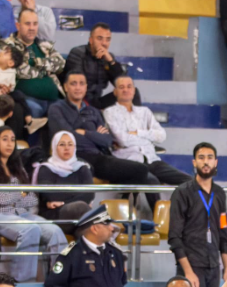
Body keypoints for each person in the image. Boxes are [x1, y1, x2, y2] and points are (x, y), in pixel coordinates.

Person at [48, 72, 161, 211]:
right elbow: (66, 138)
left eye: (81, 83)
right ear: (65, 87)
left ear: (86, 87)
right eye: (73, 83)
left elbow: (107, 140)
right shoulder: (57, 108)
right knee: (85, 170)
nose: (78, 87)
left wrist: (84, 132)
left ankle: (125, 211)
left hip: (99, 157)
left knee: (141, 170)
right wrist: (95, 136)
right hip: (74, 157)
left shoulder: (93, 111)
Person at [168, 142, 227, 287]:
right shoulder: (182, 193)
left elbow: (223, 232)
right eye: (201, 158)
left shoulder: (219, 193)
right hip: (192, 265)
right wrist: (188, 272)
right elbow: (174, 237)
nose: (206, 162)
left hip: (213, 266)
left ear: (216, 162)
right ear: (194, 162)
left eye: (210, 158)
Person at [0, 126, 66, 282]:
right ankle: (22, 283)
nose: (10, 144)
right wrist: (19, 194)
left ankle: (58, 280)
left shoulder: (18, 167)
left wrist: (15, 196)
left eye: (12, 140)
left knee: (56, 231)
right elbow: (2, 200)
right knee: (31, 230)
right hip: (3, 216)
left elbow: (32, 199)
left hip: (23, 214)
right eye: (4, 139)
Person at [103, 75, 191, 186]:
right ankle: (157, 204)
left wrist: (139, 133)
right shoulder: (110, 112)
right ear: (115, 92)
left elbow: (162, 136)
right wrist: (148, 139)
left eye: (129, 86)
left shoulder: (144, 112)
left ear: (134, 91)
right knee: (152, 181)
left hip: (152, 160)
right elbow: (123, 140)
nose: (125, 90)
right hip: (129, 162)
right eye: (121, 87)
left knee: (191, 182)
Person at [63, 23, 142, 110]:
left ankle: (136, 122)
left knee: (131, 92)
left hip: (97, 101)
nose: (104, 43)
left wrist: (111, 62)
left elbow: (123, 83)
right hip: (80, 99)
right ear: (91, 40)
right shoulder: (78, 53)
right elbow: (76, 83)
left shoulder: (108, 57)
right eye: (99, 38)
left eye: (108, 39)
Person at [7, 9, 65, 118]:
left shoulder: (44, 45)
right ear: (18, 26)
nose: (32, 28)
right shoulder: (8, 46)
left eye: (35, 24)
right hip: (27, 100)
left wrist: (38, 62)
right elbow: (20, 71)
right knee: (34, 111)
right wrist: (46, 69)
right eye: (27, 24)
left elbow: (61, 64)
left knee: (69, 112)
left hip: (54, 99)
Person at [37, 131, 94, 235]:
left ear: (75, 147)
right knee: (82, 208)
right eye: (62, 144)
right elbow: (49, 193)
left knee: (84, 227)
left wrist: (63, 202)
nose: (67, 148)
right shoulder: (46, 168)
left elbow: (89, 193)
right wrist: (77, 195)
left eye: (70, 144)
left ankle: (83, 250)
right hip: (55, 216)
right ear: (54, 147)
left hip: (78, 216)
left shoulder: (82, 167)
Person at [0, 42, 45, 138]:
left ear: (10, 63)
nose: (1, 52)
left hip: (4, 96)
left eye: (4, 53)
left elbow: (10, 86)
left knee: (17, 101)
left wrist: (7, 89)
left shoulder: (10, 72)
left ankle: (29, 123)